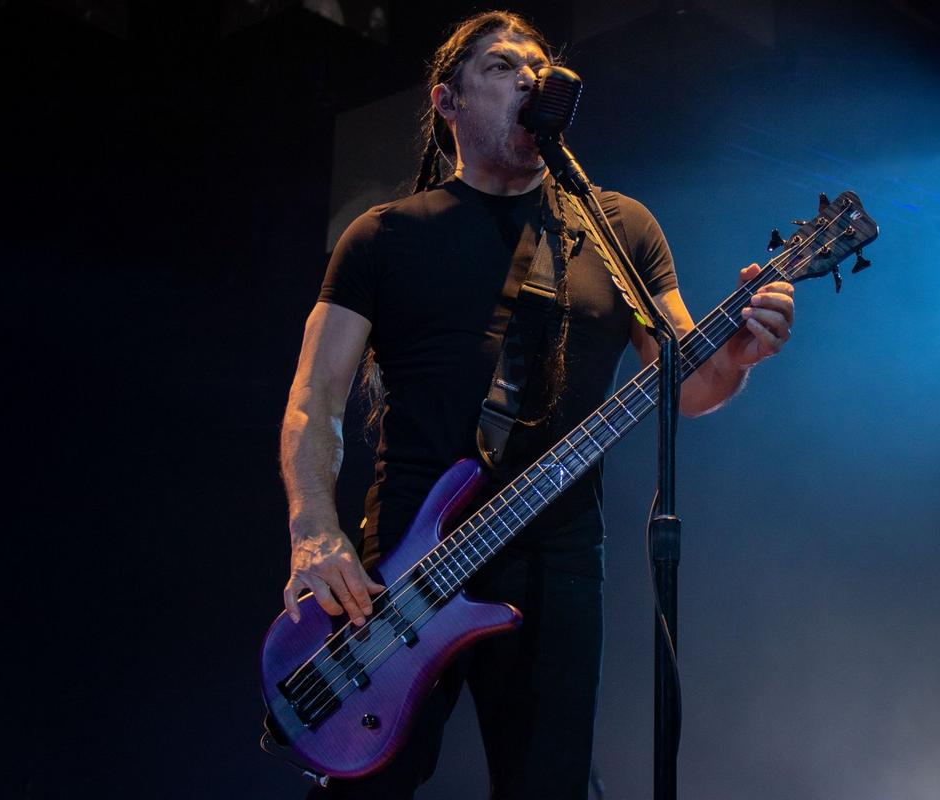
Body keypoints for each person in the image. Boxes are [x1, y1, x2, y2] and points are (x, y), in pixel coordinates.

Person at [278, 10, 795, 798]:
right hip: (406, 557)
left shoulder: (618, 227)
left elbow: (689, 388)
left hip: (560, 557)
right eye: (501, 66)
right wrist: (314, 531)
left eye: (537, 66)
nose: (530, 77)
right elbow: (314, 400)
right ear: (447, 101)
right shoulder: (382, 237)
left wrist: (740, 355)